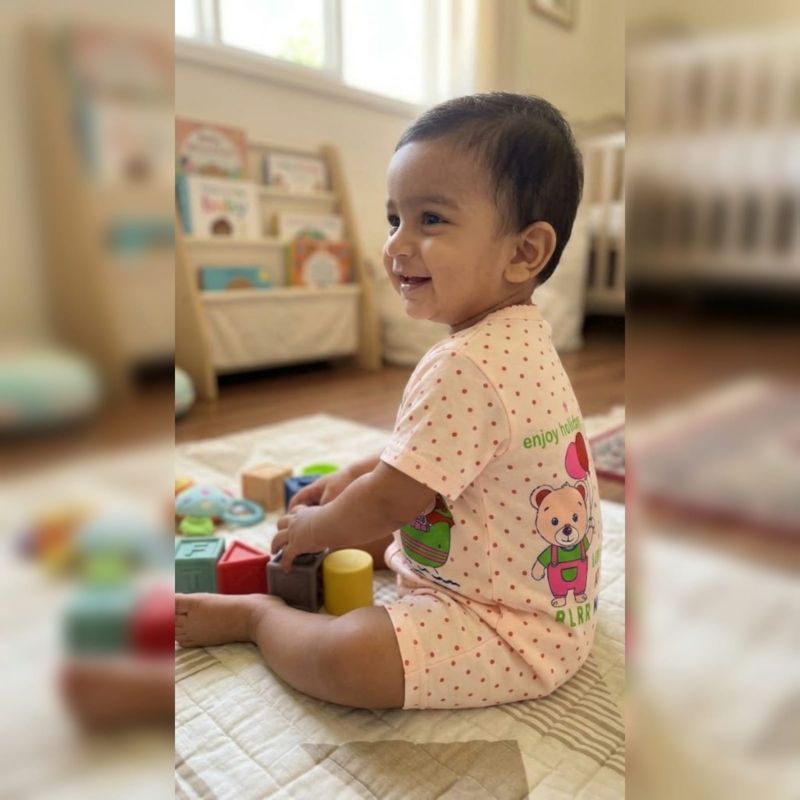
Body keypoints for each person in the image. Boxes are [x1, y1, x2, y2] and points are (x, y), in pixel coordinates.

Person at [176, 92, 601, 711]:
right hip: (516, 576)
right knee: (368, 531)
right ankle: (342, 559)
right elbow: (436, 455)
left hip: (513, 628)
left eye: (431, 220)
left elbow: (396, 498)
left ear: (523, 252)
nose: (398, 244)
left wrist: (322, 524)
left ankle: (259, 618)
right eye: (394, 218)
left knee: (351, 657)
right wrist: (356, 476)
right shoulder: (521, 336)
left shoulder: (465, 363)